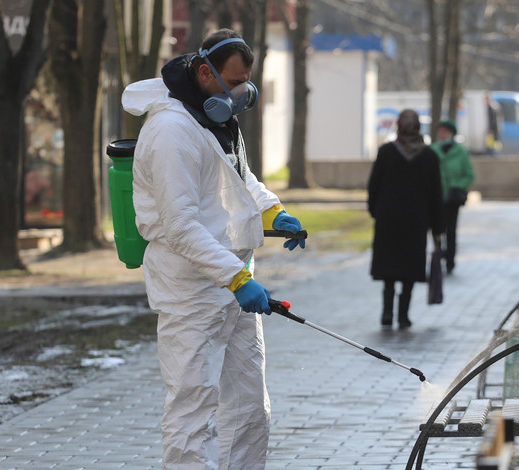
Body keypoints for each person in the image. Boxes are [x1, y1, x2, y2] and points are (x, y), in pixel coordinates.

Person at [121, 29, 306, 469]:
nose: (242, 92)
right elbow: (180, 226)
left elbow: (238, 179)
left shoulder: (215, 116)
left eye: (246, 81)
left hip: (233, 282)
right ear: (205, 73)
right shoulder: (169, 130)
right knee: (193, 410)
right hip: (191, 289)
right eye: (235, 81)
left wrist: (271, 213)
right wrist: (236, 278)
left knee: (248, 408)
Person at [368, 109, 444, 328]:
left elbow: (374, 186)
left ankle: (386, 313)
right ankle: (403, 315)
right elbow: (436, 194)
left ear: (398, 126)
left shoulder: (386, 152)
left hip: (388, 219)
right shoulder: (429, 156)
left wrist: (375, 211)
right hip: (416, 221)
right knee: (409, 270)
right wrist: (437, 227)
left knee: (389, 270)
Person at [431, 119, 474, 274]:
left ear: (452, 134)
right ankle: (437, 256)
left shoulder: (460, 152)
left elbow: (468, 174)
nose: (442, 135)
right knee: (437, 229)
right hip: (436, 198)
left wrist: (457, 185)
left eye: (445, 132)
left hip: (453, 198)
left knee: (451, 230)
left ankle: (450, 259)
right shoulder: (433, 151)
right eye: (440, 132)